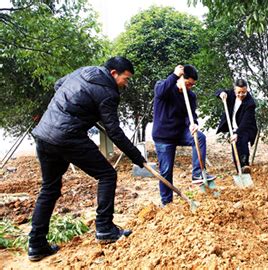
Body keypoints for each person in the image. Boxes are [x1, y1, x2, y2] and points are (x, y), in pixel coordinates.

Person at [28, 57, 147, 261]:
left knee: (49, 188)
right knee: (107, 175)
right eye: (125, 79)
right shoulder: (109, 93)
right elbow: (115, 132)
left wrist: (76, 108)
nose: (125, 84)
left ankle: (36, 244)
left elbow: (58, 84)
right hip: (68, 136)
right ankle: (105, 228)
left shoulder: (82, 71)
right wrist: (138, 158)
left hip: (44, 135)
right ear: (113, 74)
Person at [152, 65, 215, 206]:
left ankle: (198, 173)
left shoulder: (190, 96)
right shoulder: (164, 87)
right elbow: (160, 93)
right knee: (166, 170)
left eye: (193, 85)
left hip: (180, 132)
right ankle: (166, 202)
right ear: (180, 79)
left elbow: (190, 115)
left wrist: (193, 124)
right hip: (163, 136)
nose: (190, 87)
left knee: (199, 137)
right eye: (188, 83)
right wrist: (174, 75)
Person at [216, 79, 258, 173]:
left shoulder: (250, 103)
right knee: (234, 147)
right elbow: (218, 91)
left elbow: (245, 121)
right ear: (235, 90)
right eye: (238, 92)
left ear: (246, 90)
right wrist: (221, 94)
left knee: (242, 142)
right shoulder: (230, 94)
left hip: (247, 128)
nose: (241, 95)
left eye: (243, 92)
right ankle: (239, 170)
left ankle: (245, 165)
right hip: (234, 128)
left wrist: (237, 133)